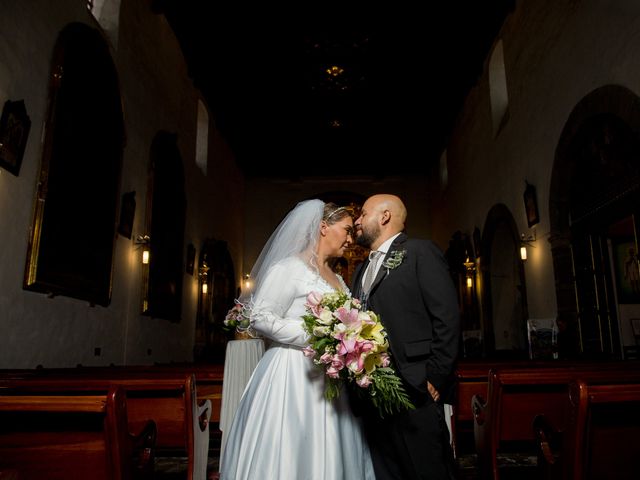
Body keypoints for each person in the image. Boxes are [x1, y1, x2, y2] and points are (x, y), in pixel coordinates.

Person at [220, 199, 375, 480]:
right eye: (347, 230)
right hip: (291, 371)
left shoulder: (338, 278)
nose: (351, 239)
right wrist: (318, 335)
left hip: (330, 374)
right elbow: (261, 317)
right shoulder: (288, 268)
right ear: (324, 228)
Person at [351, 194, 460, 480]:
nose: (357, 221)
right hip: (374, 394)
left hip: (415, 389)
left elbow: (447, 319)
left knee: (428, 470)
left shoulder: (419, 252)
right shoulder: (361, 269)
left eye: (363, 214)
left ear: (385, 216)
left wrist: (435, 377)